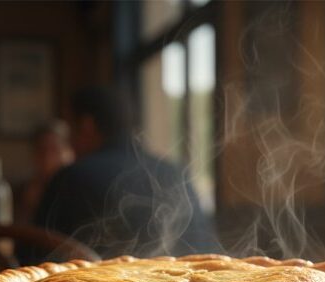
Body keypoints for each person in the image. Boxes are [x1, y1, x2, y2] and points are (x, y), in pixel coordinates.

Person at [34, 86, 218, 258]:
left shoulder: (72, 177)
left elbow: (32, 256)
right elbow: (206, 249)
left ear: (86, 125)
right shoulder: (176, 172)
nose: (70, 142)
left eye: (70, 129)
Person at [15, 120, 74, 225]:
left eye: (55, 149)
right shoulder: (22, 192)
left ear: (69, 152)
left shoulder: (79, 189)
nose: (47, 158)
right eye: (41, 150)